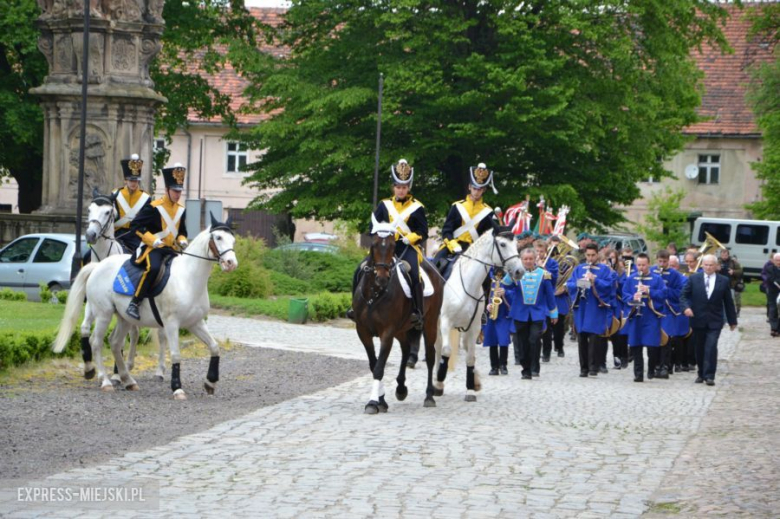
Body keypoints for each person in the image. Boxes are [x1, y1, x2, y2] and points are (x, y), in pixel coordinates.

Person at [348, 159, 428, 331]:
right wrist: (383, 232)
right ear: (393, 187)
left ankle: (417, 312)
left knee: (415, 275)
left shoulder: (417, 207)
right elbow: (372, 227)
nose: (401, 190)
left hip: (406, 248)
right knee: (360, 269)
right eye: (398, 187)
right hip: (384, 249)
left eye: (404, 187)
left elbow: (423, 232)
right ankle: (354, 307)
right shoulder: (384, 205)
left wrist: (411, 237)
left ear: (409, 188)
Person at [126, 163, 189, 320]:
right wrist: (152, 240)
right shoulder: (154, 207)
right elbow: (136, 226)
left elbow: (182, 232)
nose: (177, 194)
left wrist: (182, 240)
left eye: (180, 191)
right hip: (153, 249)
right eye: (175, 190)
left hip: (171, 250)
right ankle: (135, 302)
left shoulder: (181, 209)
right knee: (153, 268)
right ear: (167, 189)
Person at [433, 162, 499, 279]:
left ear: (483, 190)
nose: (476, 192)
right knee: (434, 269)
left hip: (475, 251)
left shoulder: (488, 212)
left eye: (479, 189)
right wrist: (452, 244)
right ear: (469, 187)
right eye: (474, 188)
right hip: (453, 247)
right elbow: (447, 230)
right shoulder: (457, 206)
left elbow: (490, 235)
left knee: (488, 278)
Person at [681, 254, 738, 386]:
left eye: (711, 265)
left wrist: (732, 321)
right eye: (706, 265)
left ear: (716, 266)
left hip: (715, 320)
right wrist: (686, 308)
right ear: (702, 265)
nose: (708, 267)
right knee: (700, 347)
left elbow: (728, 302)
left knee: (711, 347)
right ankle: (701, 373)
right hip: (698, 318)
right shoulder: (694, 278)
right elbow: (683, 295)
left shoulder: (723, 280)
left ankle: (710, 375)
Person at [505, 248, 558, 379]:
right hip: (520, 313)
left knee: (534, 340)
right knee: (522, 343)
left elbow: (550, 296)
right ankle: (526, 370)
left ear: (535, 259)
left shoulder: (544, 274)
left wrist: (553, 313)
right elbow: (505, 285)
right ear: (521, 260)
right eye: (525, 259)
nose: (528, 261)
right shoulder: (516, 273)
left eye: (530, 259)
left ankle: (535, 367)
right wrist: (510, 272)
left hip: (538, 314)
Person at [567, 243, 614, 377]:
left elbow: (609, 286)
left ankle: (594, 367)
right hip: (581, 307)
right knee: (581, 338)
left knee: (594, 338)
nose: (590, 258)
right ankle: (584, 368)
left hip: (595, 308)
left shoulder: (604, 269)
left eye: (593, 255)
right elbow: (570, 284)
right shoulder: (579, 269)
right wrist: (581, 282)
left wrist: (595, 280)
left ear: (598, 254)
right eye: (588, 255)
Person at [623, 253, 667, 382]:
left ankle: (652, 368)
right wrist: (633, 298)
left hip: (650, 316)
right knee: (636, 345)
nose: (641, 268)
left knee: (652, 345)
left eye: (643, 265)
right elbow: (625, 295)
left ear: (649, 264)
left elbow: (663, 294)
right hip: (636, 316)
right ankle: (638, 374)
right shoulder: (631, 279)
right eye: (639, 265)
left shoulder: (657, 279)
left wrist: (649, 292)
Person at [651, 250, 687, 378]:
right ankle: (655, 365)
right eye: (660, 261)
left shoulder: (674, 275)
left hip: (668, 309)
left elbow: (679, 293)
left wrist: (665, 290)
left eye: (664, 262)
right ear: (656, 260)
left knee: (666, 339)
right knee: (654, 338)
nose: (662, 264)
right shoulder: (651, 272)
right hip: (654, 309)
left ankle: (665, 366)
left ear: (668, 261)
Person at [113, 154, 151, 252]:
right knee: (88, 254)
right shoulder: (116, 194)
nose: (133, 183)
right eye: (131, 180)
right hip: (116, 233)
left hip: (135, 235)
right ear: (125, 180)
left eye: (136, 180)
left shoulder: (146, 198)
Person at [484, 267, 513, 376]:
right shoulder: (487, 276)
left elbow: (515, 292)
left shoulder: (508, 276)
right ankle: (494, 366)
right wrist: (486, 306)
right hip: (491, 313)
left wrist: (505, 293)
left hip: (504, 313)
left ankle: (503, 365)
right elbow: (483, 294)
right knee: (492, 340)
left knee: (503, 339)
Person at [668, 255, 692, 372]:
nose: (670, 268)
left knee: (678, 337)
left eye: (673, 266)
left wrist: (664, 290)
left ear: (677, 266)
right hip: (665, 310)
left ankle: (678, 362)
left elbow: (681, 295)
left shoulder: (683, 279)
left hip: (678, 310)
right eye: (669, 265)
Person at [606, 249, 629, 369]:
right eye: (609, 258)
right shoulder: (603, 271)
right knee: (608, 333)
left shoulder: (621, 273)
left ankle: (622, 357)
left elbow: (624, 290)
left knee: (619, 333)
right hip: (605, 305)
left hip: (618, 305)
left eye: (613, 258)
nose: (611, 260)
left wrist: (616, 280)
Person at [718, 248, 743, 317]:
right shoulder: (717, 261)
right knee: (719, 301)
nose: (724, 256)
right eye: (722, 254)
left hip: (730, 285)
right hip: (719, 284)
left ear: (728, 255)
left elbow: (740, 271)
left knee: (730, 301)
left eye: (725, 254)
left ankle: (730, 315)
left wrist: (733, 272)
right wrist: (717, 269)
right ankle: (722, 315)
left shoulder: (733, 262)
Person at [762, 253, 780, 337]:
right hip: (773, 292)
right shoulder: (770, 268)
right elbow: (771, 279)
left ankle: (778, 329)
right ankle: (774, 328)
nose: (779, 262)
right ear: (774, 261)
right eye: (777, 260)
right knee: (773, 309)